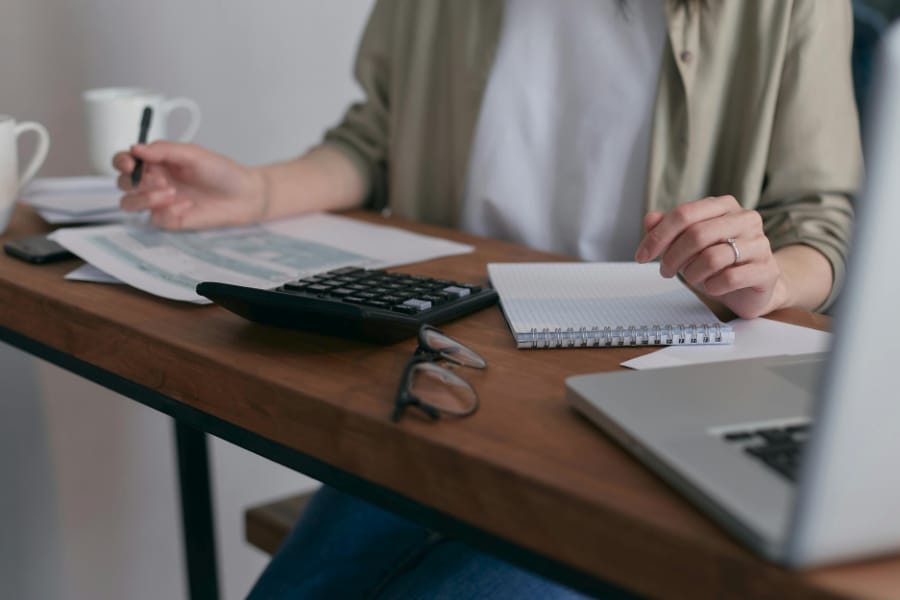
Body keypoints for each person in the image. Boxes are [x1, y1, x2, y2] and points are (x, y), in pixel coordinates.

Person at [113, 0, 861, 597]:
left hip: (648, 404)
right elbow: (375, 140)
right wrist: (259, 191)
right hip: (449, 376)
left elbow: (821, 221)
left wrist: (770, 277)